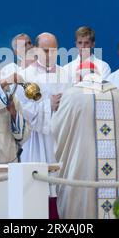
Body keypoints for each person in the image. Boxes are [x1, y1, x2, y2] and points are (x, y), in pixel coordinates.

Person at [52, 63, 119, 219]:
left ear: (79, 77)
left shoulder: (72, 94)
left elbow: (57, 128)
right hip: (117, 163)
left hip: (83, 163)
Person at [17, 32, 72, 219]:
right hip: (35, 140)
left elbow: (73, 105)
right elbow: (22, 109)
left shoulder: (65, 74)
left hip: (58, 139)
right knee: (36, 185)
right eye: (45, 50)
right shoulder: (25, 76)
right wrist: (49, 104)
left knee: (60, 184)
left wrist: (64, 104)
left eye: (53, 50)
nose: (49, 54)